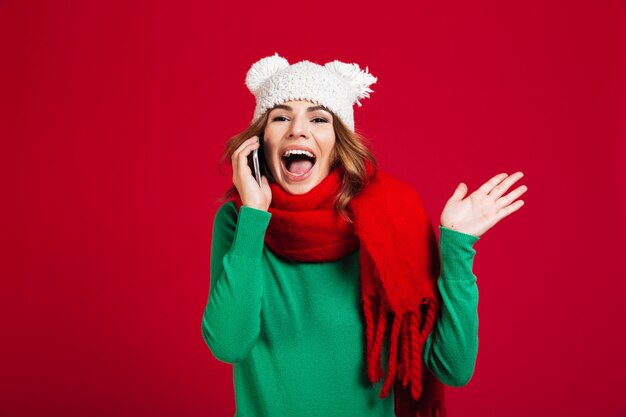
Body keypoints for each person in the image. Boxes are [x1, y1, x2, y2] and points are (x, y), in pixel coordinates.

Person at [201, 53, 527, 417]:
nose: (297, 129)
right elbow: (229, 344)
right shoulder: (240, 221)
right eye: (281, 117)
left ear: (339, 142)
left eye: (319, 118)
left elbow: (453, 368)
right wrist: (253, 217)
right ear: (260, 140)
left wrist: (458, 248)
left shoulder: (391, 216)